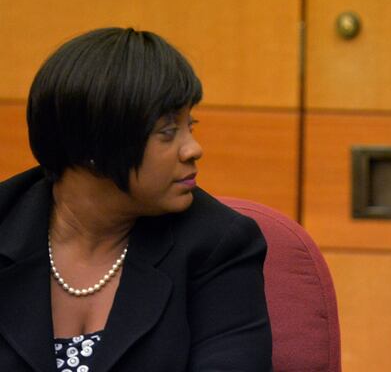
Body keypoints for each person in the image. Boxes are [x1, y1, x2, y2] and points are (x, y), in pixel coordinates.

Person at [0, 28, 273, 371]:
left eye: (190, 126)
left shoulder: (219, 244)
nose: (193, 149)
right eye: (168, 132)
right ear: (94, 146)